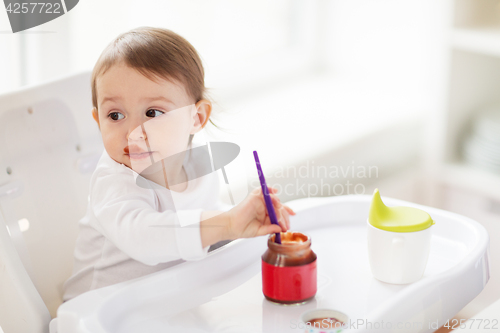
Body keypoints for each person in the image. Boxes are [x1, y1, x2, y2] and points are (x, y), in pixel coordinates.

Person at [62, 27, 295, 302]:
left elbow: (203, 218)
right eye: (115, 115)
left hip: (165, 300)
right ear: (97, 120)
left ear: (196, 118)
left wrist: (244, 223)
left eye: (153, 113)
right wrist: (227, 223)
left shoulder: (199, 167)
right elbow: (143, 236)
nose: (133, 131)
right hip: (97, 312)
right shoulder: (114, 179)